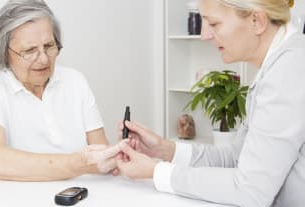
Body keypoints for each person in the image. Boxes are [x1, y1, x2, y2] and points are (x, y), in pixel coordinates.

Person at [116, 0, 305, 206]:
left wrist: (156, 172)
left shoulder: (289, 69)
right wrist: (164, 150)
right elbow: (236, 157)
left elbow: (250, 190)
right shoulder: (279, 63)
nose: (204, 35)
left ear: (256, 21)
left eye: (214, 24)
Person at [0, 0, 121, 181]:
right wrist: (79, 163)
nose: (43, 59)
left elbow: (100, 154)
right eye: (30, 50)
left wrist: (117, 154)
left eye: (49, 46)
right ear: (4, 52)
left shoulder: (75, 81)